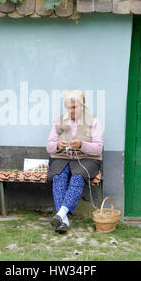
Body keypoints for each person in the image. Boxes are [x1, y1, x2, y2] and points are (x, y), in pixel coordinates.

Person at [46, 90, 103, 233]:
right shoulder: (59, 121)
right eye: (68, 107)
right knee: (58, 177)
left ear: (82, 106)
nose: (71, 111)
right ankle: (63, 221)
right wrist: (58, 145)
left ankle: (60, 214)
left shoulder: (93, 122)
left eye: (74, 107)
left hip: (87, 158)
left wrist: (82, 144)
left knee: (78, 177)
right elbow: (49, 147)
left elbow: (98, 149)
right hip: (62, 157)